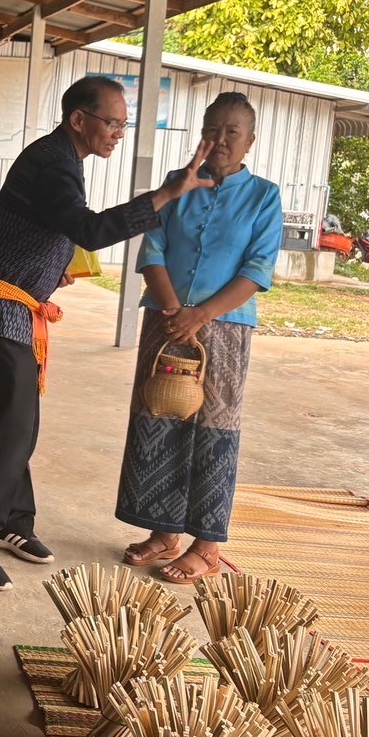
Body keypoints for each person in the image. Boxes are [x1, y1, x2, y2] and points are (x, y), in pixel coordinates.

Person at [0, 76, 215, 591]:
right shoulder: (54, 162)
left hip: (14, 305)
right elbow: (88, 228)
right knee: (11, 427)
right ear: (78, 120)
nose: (118, 132)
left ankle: (11, 520)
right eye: (111, 122)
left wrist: (49, 266)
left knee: (19, 421)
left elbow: (47, 225)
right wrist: (166, 192)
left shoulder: (62, 158)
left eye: (122, 123)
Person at [116, 92, 283, 584]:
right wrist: (174, 311)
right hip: (165, 320)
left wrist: (201, 316)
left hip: (225, 328)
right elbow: (153, 248)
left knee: (214, 428)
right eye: (214, 128)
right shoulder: (177, 184)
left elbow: (257, 268)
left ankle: (206, 545)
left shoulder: (264, 196)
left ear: (250, 141)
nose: (222, 139)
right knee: (159, 415)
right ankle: (163, 531)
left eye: (233, 131)